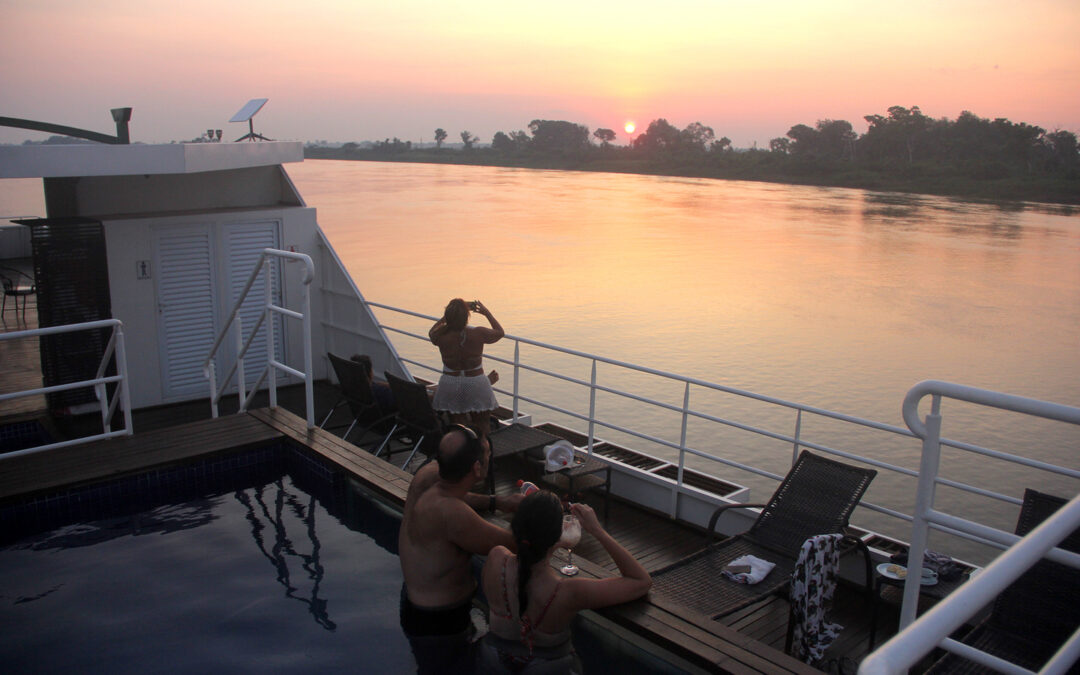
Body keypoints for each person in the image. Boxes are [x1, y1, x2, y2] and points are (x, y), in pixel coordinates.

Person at [479, 492, 652, 673]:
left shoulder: (497, 559)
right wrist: (597, 530)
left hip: (493, 663)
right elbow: (640, 580)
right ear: (558, 537)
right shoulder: (566, 592)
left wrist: (538, 511)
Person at [399, 424, 523, 674]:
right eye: (487, 454)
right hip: (439, 625)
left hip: (418, 608)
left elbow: (458, 495)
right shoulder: (452, 515)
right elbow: (514, 544)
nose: (489, 455)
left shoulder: (428, 478)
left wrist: (498, 502)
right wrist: (544, 517)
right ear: (477, 468)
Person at [429, 298, 504, 437]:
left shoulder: (440, 336)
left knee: (457, 427)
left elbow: (431, 332)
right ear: (466, 317)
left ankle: (460, 453)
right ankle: (483, 453)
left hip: (451, 383)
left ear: (448, 316)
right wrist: (486, 312)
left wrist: (446, 318)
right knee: (482, 426)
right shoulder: (478, 333)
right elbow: (500, 332)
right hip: (476, 383)